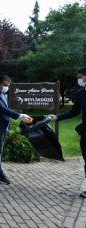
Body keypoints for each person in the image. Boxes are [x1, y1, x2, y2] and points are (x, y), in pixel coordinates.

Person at [0, 75, 32, 185]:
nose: (7, 87)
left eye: (8, 85)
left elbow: (7, 108)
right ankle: (0, 175)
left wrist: (20, 114)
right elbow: (1, 108)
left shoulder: (0, 93)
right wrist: (18, 115)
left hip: (1, 126)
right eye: (5, 85)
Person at [49, 67, 86, 197]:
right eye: (78, 77)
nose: (79, 79)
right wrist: (57, 117)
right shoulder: (81, 94)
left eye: (81, 76)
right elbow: (74, 112)